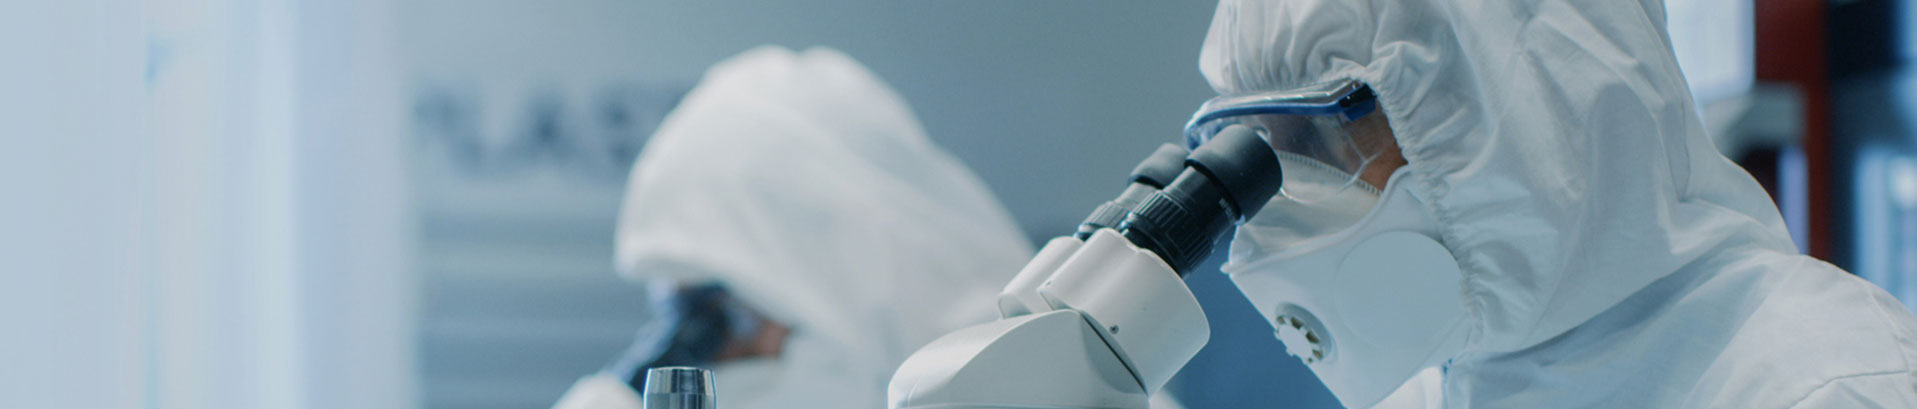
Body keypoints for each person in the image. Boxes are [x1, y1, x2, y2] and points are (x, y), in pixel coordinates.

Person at [1190, 0, 1917, 408]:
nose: (1283, 205)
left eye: (1318, 142)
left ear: (1509, 109)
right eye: (1267, 146)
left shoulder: (1823, 383)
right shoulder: (1439, 386)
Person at [549, 46, 1035, 409]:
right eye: (684, 319)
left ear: (832, 266)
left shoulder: (1026, 382)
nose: (717, 357)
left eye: (726, 317)